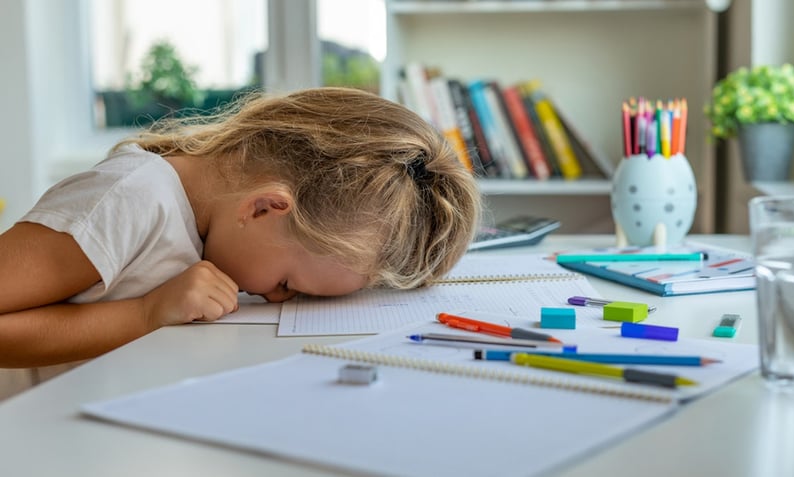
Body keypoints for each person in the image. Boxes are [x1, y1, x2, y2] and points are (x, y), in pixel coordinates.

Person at [0, 87, 481, 368]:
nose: (276, 299)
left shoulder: (206, 229)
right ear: (263, 208)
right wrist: (146, 314)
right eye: (286, 283)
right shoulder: (125, 201)